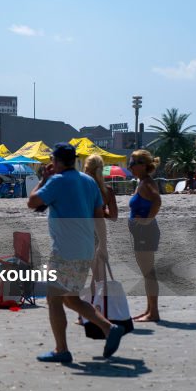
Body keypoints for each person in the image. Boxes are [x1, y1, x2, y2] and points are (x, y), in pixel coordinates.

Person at [27, 143, 123, 363]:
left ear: (56, 160)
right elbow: (99, 215)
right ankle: (109, 328)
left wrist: (43, 179)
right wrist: (102, 246)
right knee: (70, 299)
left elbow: (32, 202)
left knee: (54, 299)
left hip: (65, 250)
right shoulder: (88, 182)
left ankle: (62, 350)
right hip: (86, 247)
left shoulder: (58, 181)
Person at [127, 149, 162, 322]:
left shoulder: (147, 183)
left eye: (132, 163)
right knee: (147, 273)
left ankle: (153, 312)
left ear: (142, 165)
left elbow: (157, 200)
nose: (129, 166)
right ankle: (150, 310)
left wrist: (148, 220)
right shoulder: (143, 182)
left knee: (148, 273)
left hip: (145, 232)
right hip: (143, 232)